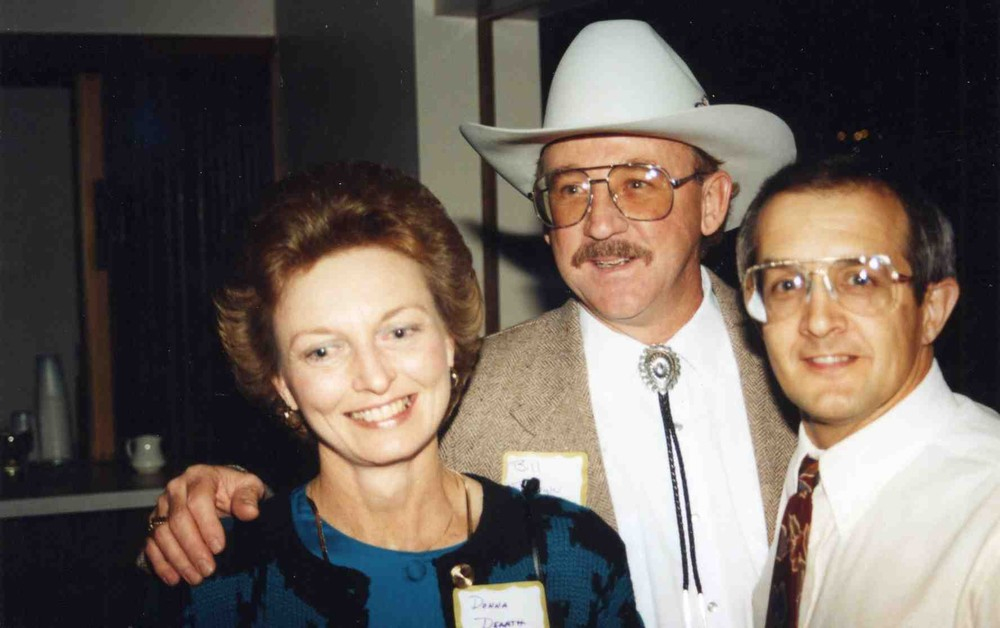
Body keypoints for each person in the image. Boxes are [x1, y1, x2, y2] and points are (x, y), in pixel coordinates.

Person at [145, 20, 799, 626]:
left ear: (713, 201)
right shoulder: (462, 390)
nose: (600, 223)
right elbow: (342, 493)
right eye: (571, 189)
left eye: (639, 182)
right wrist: (218, 499)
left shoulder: (810, 371)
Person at [141, 162, 642, 626]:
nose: (374, 377)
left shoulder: (572, 558)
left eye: (399, 332)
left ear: (449, 340)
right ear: (282, 383)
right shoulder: (223, 586)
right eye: (322, 351)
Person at [735, 156, 1000, 627]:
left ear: (932, 309)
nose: (819, 321)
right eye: (787, 284)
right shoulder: (802, 481)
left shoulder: (986, 523)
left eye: (860, 280)